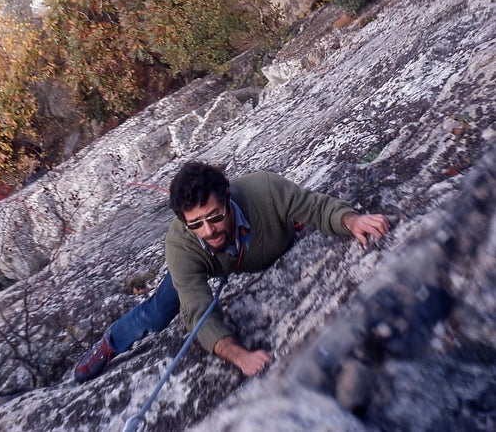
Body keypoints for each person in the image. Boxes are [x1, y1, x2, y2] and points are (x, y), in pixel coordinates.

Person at [74, 161, 390, 382]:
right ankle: (111, 343)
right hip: (205, 263)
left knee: (282, 238)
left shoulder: (264, 189)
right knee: (158, 313)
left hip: (253, 245)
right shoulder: (182, 244)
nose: (208, 230)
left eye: (215, 216)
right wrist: (240, 356)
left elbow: (317, 207)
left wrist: (351, 221)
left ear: (228, 198)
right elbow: (198, 313)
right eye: (195, 224)